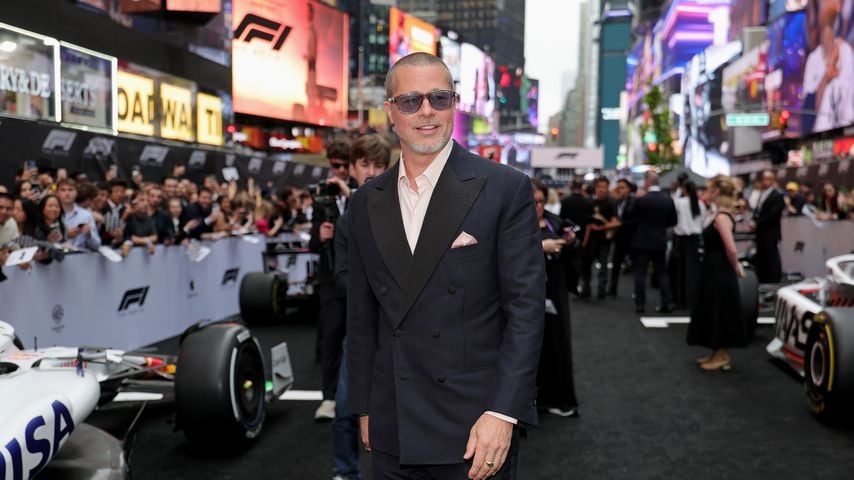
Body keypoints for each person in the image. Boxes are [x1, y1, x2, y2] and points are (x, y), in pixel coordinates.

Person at [347, 52, 545, 480]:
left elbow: (525, 312)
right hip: (393, 422)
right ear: (390, 112)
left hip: (474, 425)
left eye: (439, 98)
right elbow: (361, 318)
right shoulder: (364, 202)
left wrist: (503, 412)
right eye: (410, 101)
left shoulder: (504, 188)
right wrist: (364, 406)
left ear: (454, 104)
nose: (426, 112)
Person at [331, 134, 391, 480]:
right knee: (345, 409)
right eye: (365, 164)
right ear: (351, 169)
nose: (371, 172)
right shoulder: (346, 221)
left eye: (378, 165)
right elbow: (340, 278)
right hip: (360, 331)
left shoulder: (405, 214)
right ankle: (345, 472)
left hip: (400, 330)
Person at [687, 176, 748, 370]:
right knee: (712, 307)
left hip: (719, 270)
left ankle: (722, 354)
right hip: (713, 268)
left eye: (709, 189)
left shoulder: (722, 217)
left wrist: (736, 266)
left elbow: (730, 248)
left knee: (719, 308)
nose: (705, 192)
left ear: (717, 192)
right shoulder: (718, 214)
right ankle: (716, 351)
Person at [532, 179, 579, 418]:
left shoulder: (553, 220)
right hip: (528, 293)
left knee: (557, 342)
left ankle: (557, 398)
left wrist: (570, 240)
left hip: (556, 292)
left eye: (541, 201)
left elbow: (570, 239)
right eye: (534, 202)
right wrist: (541, 247)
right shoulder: (514, 223)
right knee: (531, 347)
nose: (539, 207)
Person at [630, 171, 677, 314]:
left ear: (647, 182)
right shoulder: (668, 200)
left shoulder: (641, 200)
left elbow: (633, 218)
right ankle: (666, 303)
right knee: (662, 272)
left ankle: (640, 304)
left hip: (641, 240)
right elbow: (673, 222)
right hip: (659, 240)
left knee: (640, 273)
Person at [670, 180, 707, 310]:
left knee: (680, 272)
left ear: (684, 190)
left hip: (682, 240)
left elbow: (673, 218)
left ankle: (680, 299)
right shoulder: (700, 204)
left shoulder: (679, 202)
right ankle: (693, 299)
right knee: (693, 271)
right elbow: (703, 222)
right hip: (695, 240)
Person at [581, 177, 619, 299]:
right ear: (595, 188)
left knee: (603, 266)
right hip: (591, 241)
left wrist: (600, 228)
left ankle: (601, 290)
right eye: (599, 187)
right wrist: (585, 241)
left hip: (604, 240)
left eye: (604, 187)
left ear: (608, 188)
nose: (601, 190)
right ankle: (586, 289)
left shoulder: (611, 203)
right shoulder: (590, 203)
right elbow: (586, 223)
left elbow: (616, 223)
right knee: (586, 265)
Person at [559, 179, 592, 295]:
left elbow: (561, 220)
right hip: (584, 236)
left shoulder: (565, 201)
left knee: (569, 262)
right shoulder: (587, 202)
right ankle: (586, 287)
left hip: (569, 236)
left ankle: (570, 286)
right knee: (585, 263)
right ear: (582, 187)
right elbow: (589, 222)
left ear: (572, 187)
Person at [751, 170, 784, 283]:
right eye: (764, 179)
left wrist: (757, 223)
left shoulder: (777, 195)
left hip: (771, 232)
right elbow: (758, 211)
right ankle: (763, 279)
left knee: (771, 256)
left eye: (768, 179)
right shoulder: (762, 194)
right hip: (761, 232)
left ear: (773, 180)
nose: (765, 182)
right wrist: (754, 220)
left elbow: (773, 214)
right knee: (762, 256)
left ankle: (774, 280)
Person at [608, 178, 636, 297]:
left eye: (623, 187)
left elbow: (636, 220)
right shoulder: (617, 202)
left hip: (631, 237)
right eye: (619, 187)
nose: (620, 190)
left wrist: (621, 224)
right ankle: (612, 289)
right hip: (618, 238)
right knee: (616, 263)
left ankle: (637, 292)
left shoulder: (634, 202)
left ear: (629, 189)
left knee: (635, 265)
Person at [56, 179, 101, 251]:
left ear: (76, 193)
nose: (67, 193)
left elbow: (96, 246)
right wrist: (65, 235)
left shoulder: (86, 215)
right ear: (57, 193)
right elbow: (43, 242)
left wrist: (89, 235)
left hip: (79, 255)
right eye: (63, 190)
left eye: (70, 190)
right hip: (57, 255)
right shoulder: (50, 213)